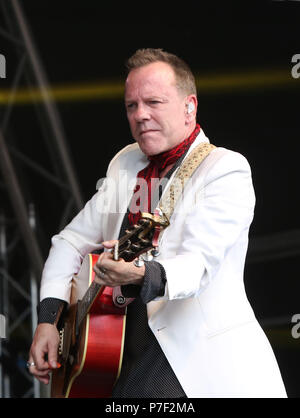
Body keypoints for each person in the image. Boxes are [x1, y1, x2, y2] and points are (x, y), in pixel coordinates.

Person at [28, 48, 287, 398]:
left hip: (188, 358)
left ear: (189, 105)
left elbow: (197, 265)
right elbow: (69, 242)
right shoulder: (125, 164)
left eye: (154, 102)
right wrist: (49, 320)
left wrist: (137, 275)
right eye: (132, 106)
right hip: (119, 355)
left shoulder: (225, 170)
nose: (141, 115)